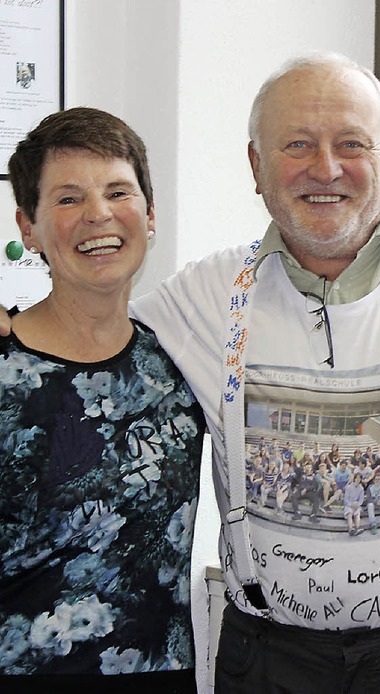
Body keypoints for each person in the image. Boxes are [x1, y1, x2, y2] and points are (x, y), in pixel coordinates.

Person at [0, 53, 380, 692]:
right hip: (264, 660)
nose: (326, 168)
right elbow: (80, 318)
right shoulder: (197, 296)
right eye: (297, 145)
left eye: (352, 144)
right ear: (256, 166)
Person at [0, 108, 205, 693]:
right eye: (67, 199)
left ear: (150, 213)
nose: (98, 213)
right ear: (29, 227)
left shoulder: (180, 360)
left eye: (119, 190)